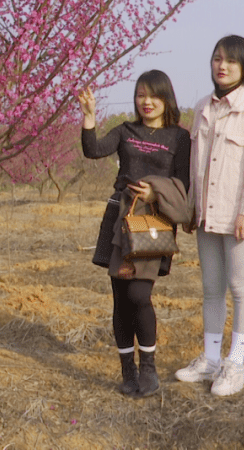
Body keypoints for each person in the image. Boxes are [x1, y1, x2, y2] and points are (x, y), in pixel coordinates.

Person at [174, 35, 244, 397]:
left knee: (240, 287)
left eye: (231, 61)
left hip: (240, 219)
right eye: (217, 58)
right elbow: (195, 165)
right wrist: (191, 209)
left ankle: (236, 363)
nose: (222, 66)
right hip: (207, 216)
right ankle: (210, 359)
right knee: (211, 289)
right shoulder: (203, 107)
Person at [79, 70, 190, 398]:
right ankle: (127, 371)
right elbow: (93, 150)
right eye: (141, 95)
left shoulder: (179, 138)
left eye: (154, 95)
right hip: (119, 215)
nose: (147, 102)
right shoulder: (126, 131)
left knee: (139, 295)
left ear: (166, 98)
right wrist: (88, 117)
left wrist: (157, 192)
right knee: (120, 298)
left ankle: (149, 368)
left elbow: (183, 182)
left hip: (152, 221)